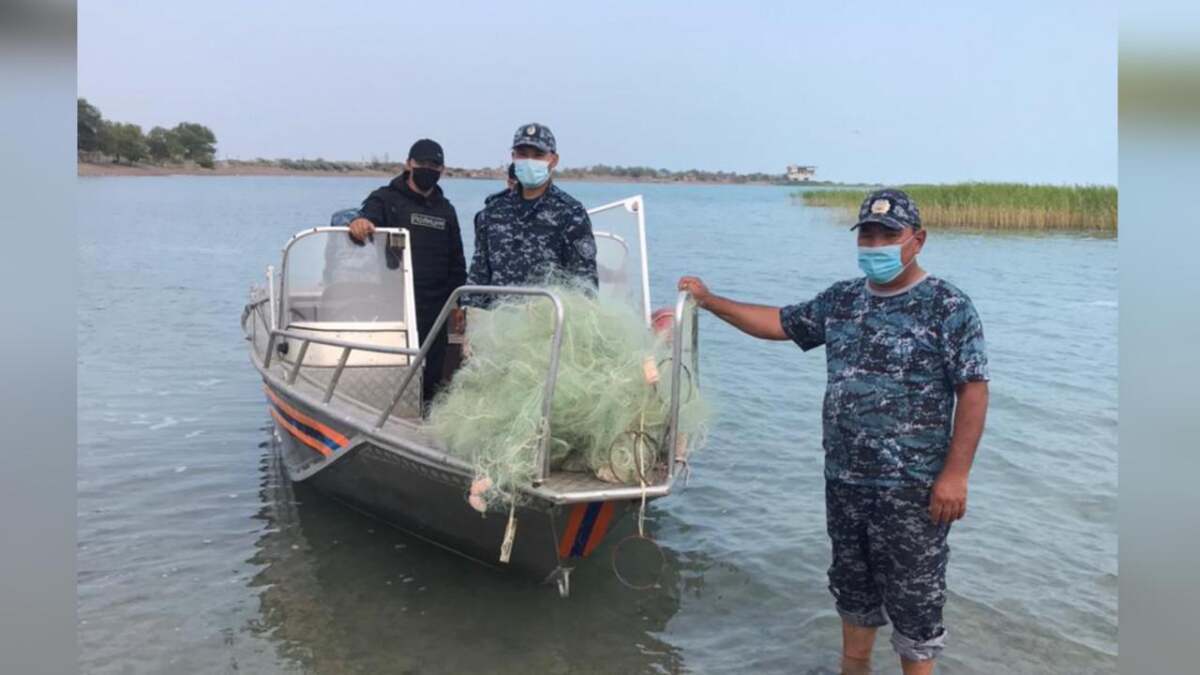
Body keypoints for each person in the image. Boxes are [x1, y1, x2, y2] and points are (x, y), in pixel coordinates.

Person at [677, 189, 989, 675]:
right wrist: (709, 300)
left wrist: (956, 475)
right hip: (845, 481)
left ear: (917, 240)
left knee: (916, 606)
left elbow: (973, 390)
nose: (876, 242)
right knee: (853, 590)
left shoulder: (946, 305)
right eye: (868, 233)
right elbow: (779, 323)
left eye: (889, 234)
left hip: (912, 488)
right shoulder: (843, 300)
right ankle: (853, 668)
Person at [345, 138, 466, 409]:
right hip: (393, 302)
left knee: (432, 374)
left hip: (435, 307)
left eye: (434, 165)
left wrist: (457, 304)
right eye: (422, 163)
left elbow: (456, 261)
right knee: (395, 367)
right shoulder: (386, 199)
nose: (428, 169)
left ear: (442, 170)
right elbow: (365, 219)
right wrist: (360, 223)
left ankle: (425, 422)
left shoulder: (446, 210)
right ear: (408, 164)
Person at [459, 123, 598, 316]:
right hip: (494, 330)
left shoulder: (570, 213)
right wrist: (470, 318)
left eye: (538, 155)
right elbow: (478, 275)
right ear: (513, 157)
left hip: (546, 332)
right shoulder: (493, 211)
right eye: (523, 154)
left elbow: (585, 285)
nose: (529, 160)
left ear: (553, 160)